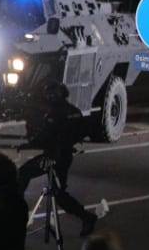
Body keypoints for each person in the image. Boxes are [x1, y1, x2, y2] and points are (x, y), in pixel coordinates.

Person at [18, 81, 96, 236]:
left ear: (60, 93)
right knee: (36, 179)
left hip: (56, 157)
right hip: (58, 156)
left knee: (52, 190)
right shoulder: (72, 111)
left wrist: (33, 144)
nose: (49, 96)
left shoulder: (57, 113)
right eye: (48, 93)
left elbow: (49, 136)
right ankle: (86, 217)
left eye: (52, 93)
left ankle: (87, 217)